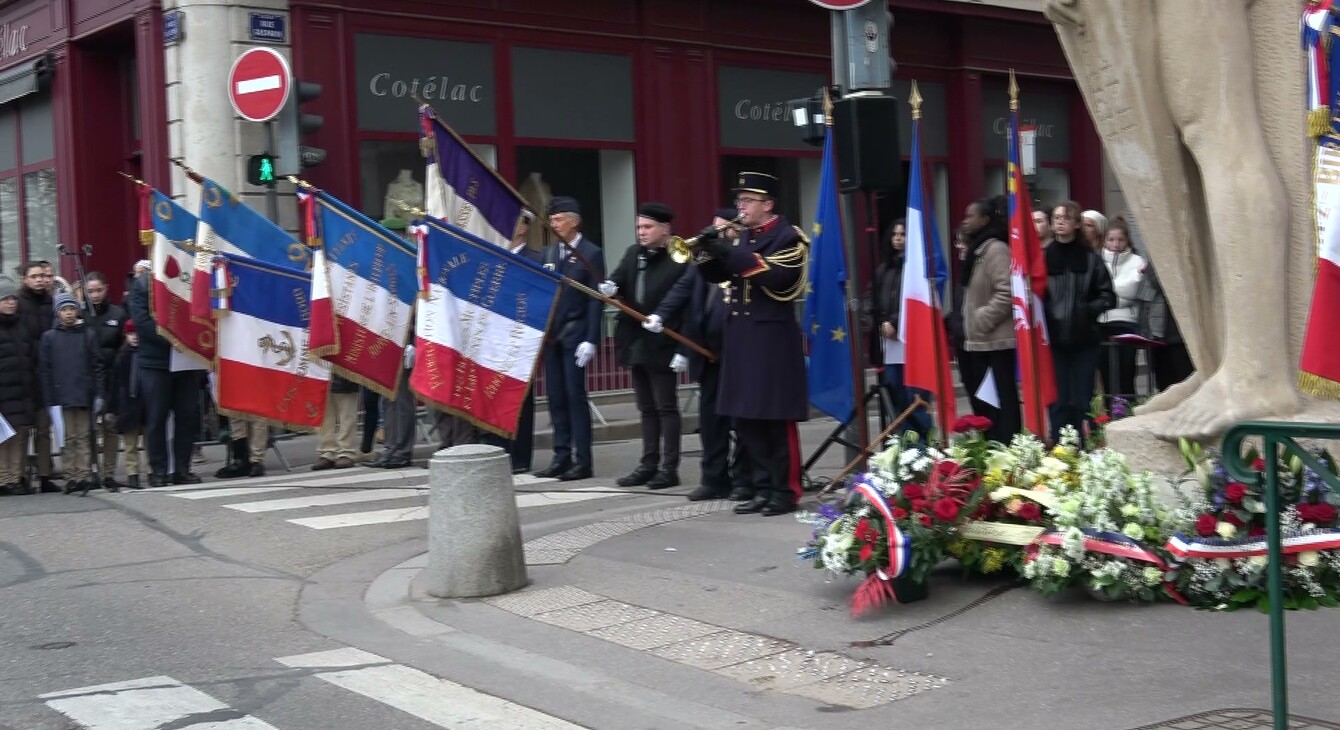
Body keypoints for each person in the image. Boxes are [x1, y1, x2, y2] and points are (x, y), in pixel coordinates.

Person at [686, 172, 809, 516]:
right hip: (739, 338)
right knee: (746, 419)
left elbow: (779, 278)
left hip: (770, 341)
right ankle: (761, 485)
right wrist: (707, 251)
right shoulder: (743, 238)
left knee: (774, 419)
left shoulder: (789, 237)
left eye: (748, 201)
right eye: (739, 200)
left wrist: (728, 250)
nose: (741, 207)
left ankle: (785, 490)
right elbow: (718, 276)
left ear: (768, 205)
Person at [651, 208, 758, 502]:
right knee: (711, 422)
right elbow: (682, 289)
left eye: (722, 229)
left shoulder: (743, 258)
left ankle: (743, 479)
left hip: (738, 354)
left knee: (743, 421)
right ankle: (713, 479)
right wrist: (660, 315)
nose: (715, 235)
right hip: (708, 355)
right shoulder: (703, 260)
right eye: (713, 229)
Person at [601, 202, 687, 489]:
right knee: (646, 407)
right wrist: (611, 286)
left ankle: (669, 467)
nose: (642, 232)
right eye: (639, 227)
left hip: (663, 340)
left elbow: (683, 299)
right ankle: (648, 463)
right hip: (635, 340)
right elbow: (620, 277)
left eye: (648, 227)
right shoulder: (633, 253)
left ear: (665, 229)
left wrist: (678, 340)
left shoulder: (677, 258)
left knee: (665, 406)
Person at [534, 196, 605, 482]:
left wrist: (592, 338)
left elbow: (595, 299)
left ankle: (583, 460)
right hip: (553, 336)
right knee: (556, 398)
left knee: (575, 398)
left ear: (574, 221)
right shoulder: (549, 253)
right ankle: (561, 455)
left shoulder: (591, 252)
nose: (554, 224)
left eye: (559, 219)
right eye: (551, 220)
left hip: (575, 333)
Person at [1045, 200, 1116, 442]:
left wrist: (1085, 310)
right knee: (1057, 398)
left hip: (1084, 339)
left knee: (1081, 398)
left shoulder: (1090, 259)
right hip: (1052, 341)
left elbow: (1108, 296)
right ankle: (1058, 445)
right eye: (1056, 218)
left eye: (1065, 217)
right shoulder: (1043, 257)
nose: (1060, 222)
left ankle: (1079, 446)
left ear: (1076, 223)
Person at [126, 265, 203, 487]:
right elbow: (143, 323)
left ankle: (182, 469)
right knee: (156, 418)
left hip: (186, 361)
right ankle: (158, 471)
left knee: (187, 416)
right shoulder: (142, 285)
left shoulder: (186, 278)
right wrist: (174, 339)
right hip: (155, 362)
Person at [959, 197, 1022, 444]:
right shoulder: (977, 249)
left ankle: (1009, 444)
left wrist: (981, 318)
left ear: (984, 220)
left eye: (970, 216)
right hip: (979, 341)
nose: (965, 221)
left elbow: (1006, 292)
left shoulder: (995, 249)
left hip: (996, 341)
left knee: (1003, 398)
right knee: (986, 401)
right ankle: (992, 445)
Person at [866, 218, 932, 441]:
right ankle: (904, 441)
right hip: (889, 343)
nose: (898, 239)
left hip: (911, 340)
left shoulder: (916, 269)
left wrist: (895, 321)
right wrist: (880, 321)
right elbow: (871, 299)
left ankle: (922, 440)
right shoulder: (883, 269)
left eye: (902, 235)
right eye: (894, 235)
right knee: (894, 392)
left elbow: (916, 301)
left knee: (914, 393)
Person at [40, 293, 104, 494]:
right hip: (61, 396)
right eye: (64, 310)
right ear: (58, 313)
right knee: (67, 437)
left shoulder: (88, 334)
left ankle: (84, 473)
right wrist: (49, 397)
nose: (68, 313)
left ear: (77, 311)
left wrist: (99, 394)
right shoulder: (49, 337)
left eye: (71, 309)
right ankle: (70, 476)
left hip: (84, 394)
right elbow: (45, 369)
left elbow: (97, 366)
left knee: (83, 436)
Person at [83, 272, 128, 490]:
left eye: (98, 290)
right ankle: (92, 470)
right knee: (89, 427)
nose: (95, 295)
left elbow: (125, 344)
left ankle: (109, 472)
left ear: (106, 288)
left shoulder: (118, 314)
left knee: (110, 425)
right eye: (90, 291)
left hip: (111, 377)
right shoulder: (81, 314)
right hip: (87, 377)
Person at [1096, 216, 1146, 402]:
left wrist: (1108, 292)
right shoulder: (1097, 260)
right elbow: (1094, 291)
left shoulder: (1137, 261)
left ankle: (1128, 412)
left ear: (1127, 240)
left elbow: (1133, 290)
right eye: (1111, 239)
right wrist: (1114, 292)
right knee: (1106, 374)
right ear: (1104, 240)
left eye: (1120, 240)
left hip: (1126, 324)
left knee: (1126, 373)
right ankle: (1109, 417)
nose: (1116, 244)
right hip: (1101, 323)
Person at [16, 260, 56, 492]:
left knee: (43, 429)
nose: (40, 279)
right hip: (24, 372)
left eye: (42, 275)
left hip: (45, 374)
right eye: (34, 276)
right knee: (23, 430)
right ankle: (20, 476)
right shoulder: (18, 303)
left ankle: (44, 475)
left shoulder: (51, 302)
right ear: (25, 279)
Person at [0, 278, 35, 495]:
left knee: (19, 436)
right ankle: (3, 479)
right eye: (5, 299)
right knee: (3, 439)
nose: (11, 302)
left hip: (22, 391)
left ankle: (15, 477)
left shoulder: (22, 325)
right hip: (3, 392)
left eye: (13, 298)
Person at [107, 319, 145, 489]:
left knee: (150, 442)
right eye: (130, 334)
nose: (135, 337)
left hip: (146, 403)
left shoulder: (147, 354)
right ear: (126, 335)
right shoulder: (121, 357)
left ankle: (153, 471)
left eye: (137, 333)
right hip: (128, 404)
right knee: (130, 445)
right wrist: (114, 408)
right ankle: (132, 474)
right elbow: (116, 384)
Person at [313, 374, 360, 470]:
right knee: (324, 413)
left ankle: (347, 452)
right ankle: (327, 451)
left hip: (345, 367)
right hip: (320, 368)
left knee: (347, 412)